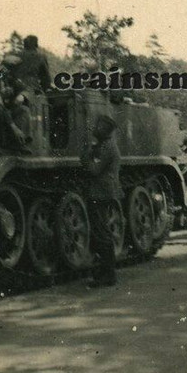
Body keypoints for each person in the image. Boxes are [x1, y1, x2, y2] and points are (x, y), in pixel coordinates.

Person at [79, 115, 120, 287]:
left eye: (99, 126)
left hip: (100, 193)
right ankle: (104, 273)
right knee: (101, 232)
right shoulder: (106, 146)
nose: (96, 129)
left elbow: (94, 169)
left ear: (105, 129)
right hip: (101, 192)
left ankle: (108, 275)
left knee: (102, 234)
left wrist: (87, 153)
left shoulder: (107, 147)